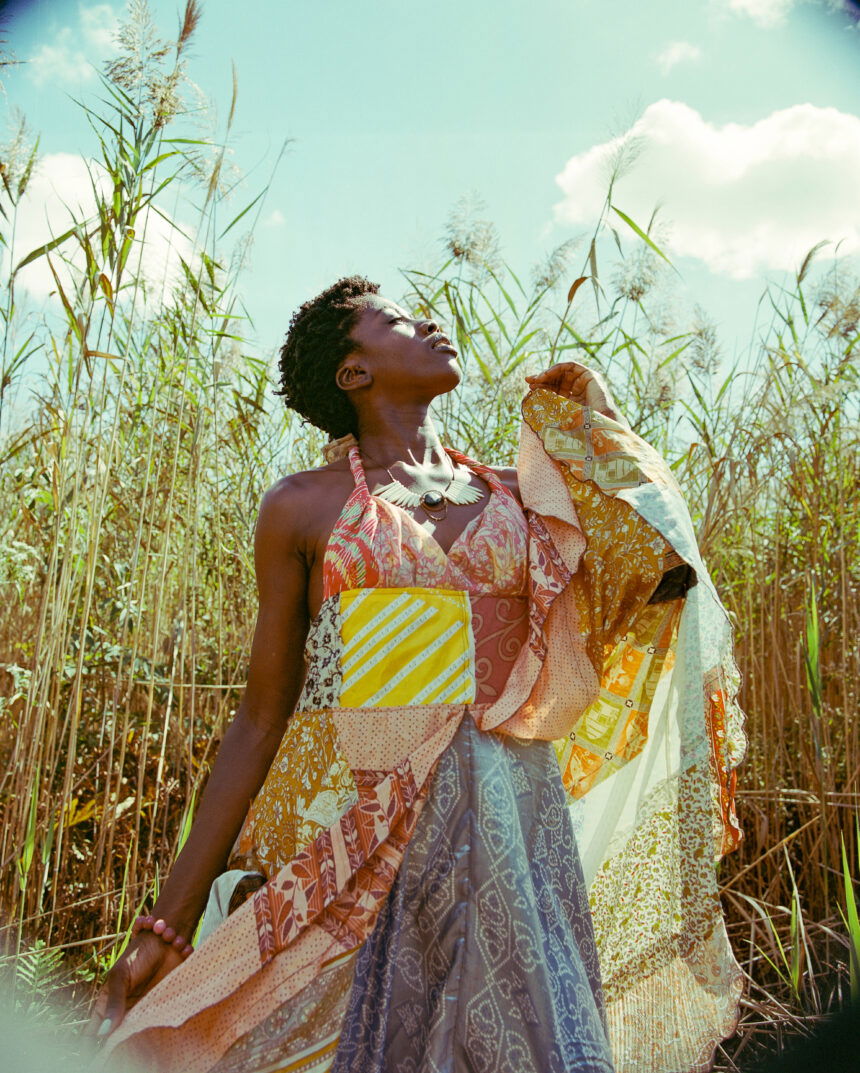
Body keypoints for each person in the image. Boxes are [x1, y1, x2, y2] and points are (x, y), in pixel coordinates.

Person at [92, 276, 746, 1073]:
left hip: (514, 828)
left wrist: (589, 408)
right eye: (397, 321)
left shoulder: (522, 495)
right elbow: (260, 718)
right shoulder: (301, 506)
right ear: (353, 373)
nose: (431, 321)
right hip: (363, 834)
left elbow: (655, 564)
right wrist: (165, 924)